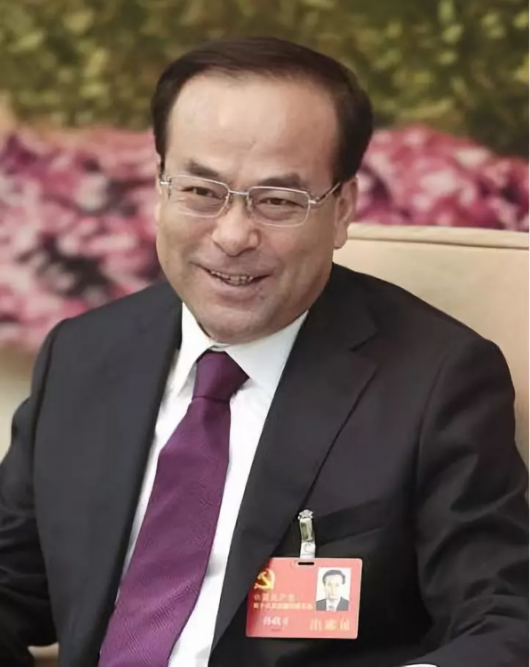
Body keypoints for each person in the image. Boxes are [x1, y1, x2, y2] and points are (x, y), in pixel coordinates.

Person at [0, 36, 527, 667]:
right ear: (161, 188)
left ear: (342, 210)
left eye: (278, 201)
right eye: (201, 191)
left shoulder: (435, 381)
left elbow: (504, 618)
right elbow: (10, 582)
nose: (232, 235)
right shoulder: (83, 355)